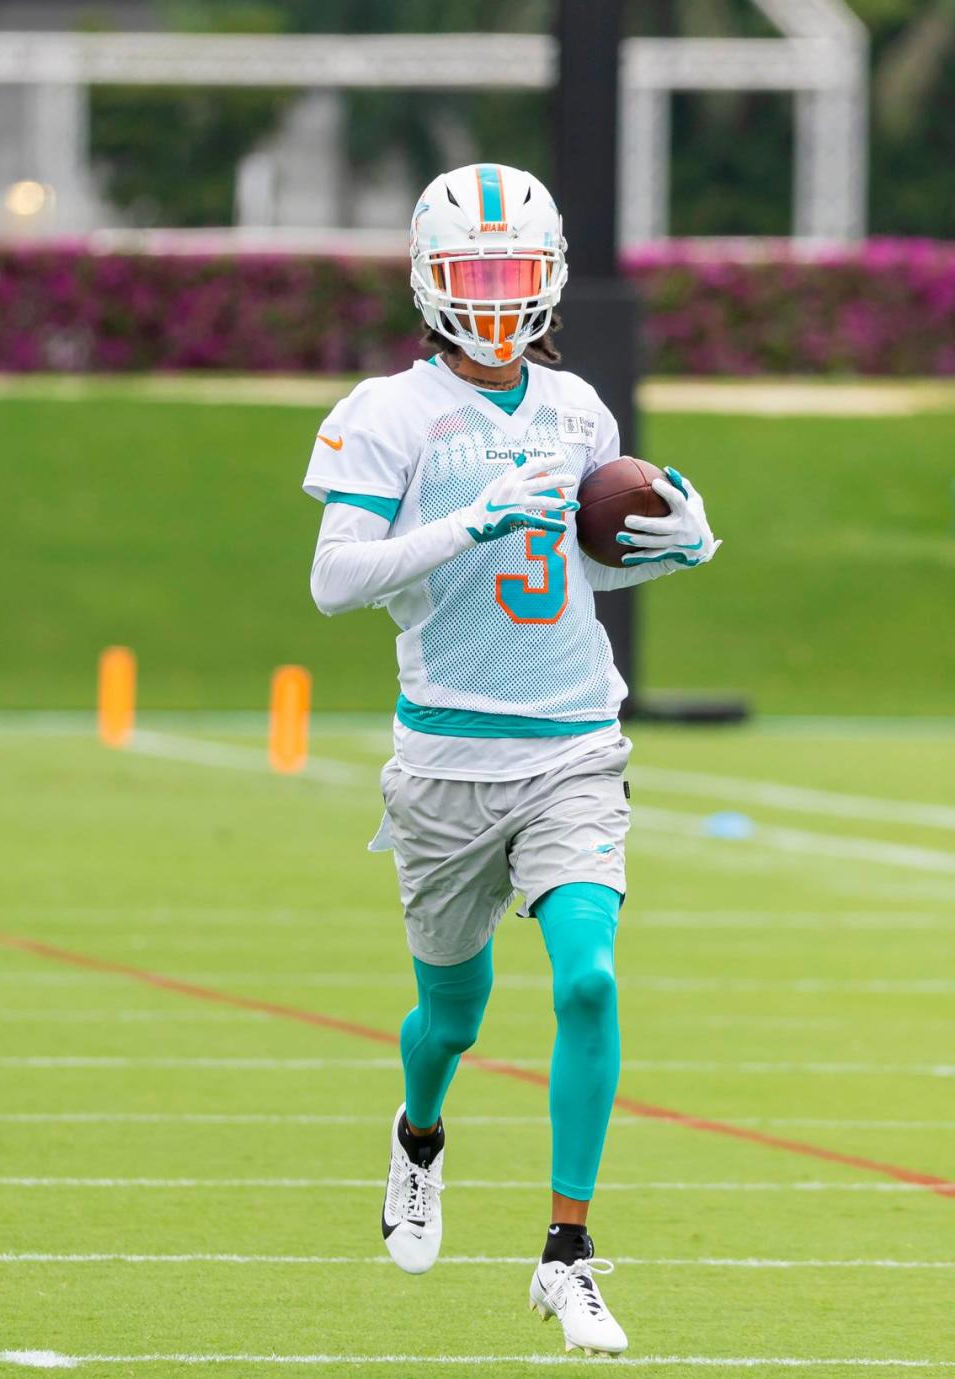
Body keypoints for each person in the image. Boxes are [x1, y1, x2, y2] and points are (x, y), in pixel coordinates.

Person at [303, 163, 718, 1357]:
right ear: (432, 281)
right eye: (473, 274)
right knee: (452, 1013)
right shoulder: (388, 411)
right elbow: (335, 580)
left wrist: (677, 548)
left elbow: (579, 571)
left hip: (576, 741)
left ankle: (568, 1252)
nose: (493, 298)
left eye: (513, 275)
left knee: (587, 977)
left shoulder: (581, 409)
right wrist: (462, 526)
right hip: (446, 756)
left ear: (550, 282)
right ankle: (420, 1132)